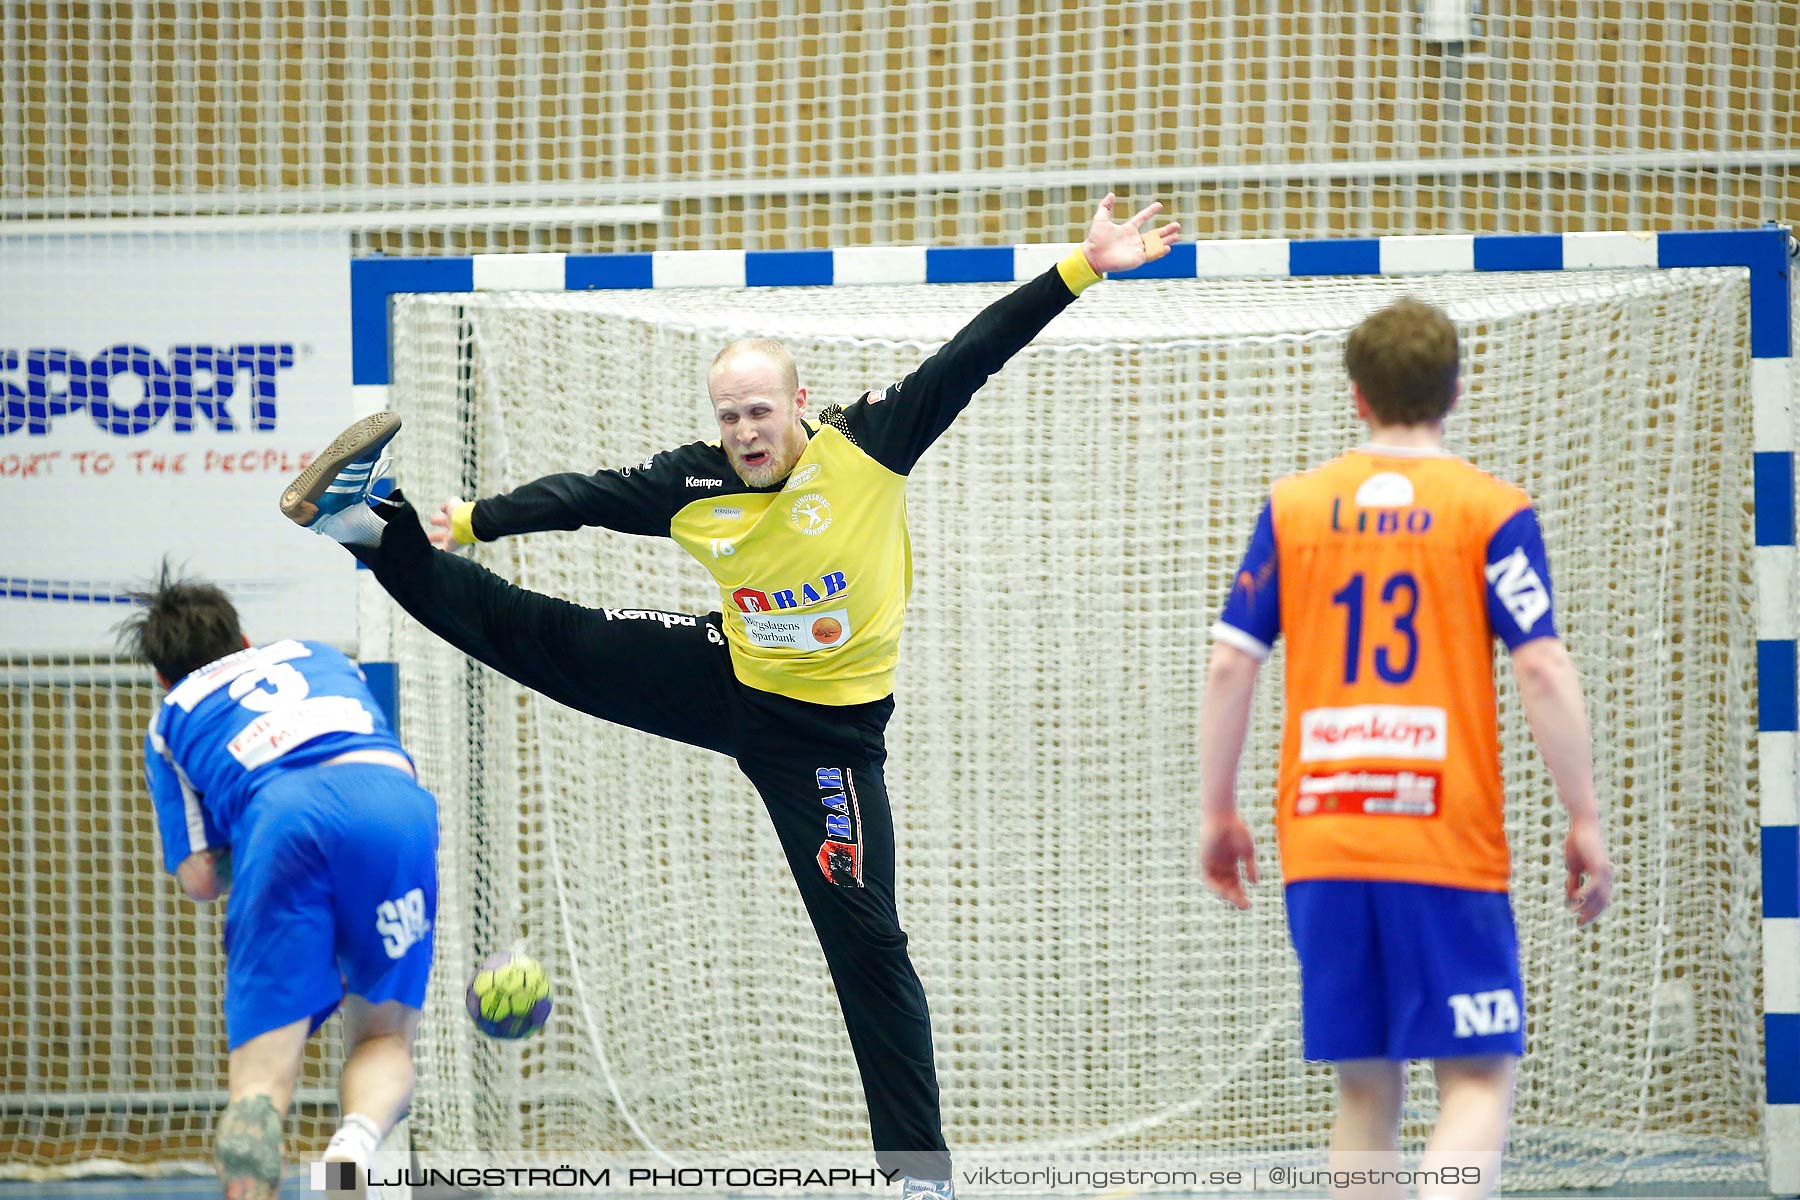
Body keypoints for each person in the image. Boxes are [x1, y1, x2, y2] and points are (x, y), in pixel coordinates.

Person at [279, 195, 1179, 1193]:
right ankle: (373, 524)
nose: (746, 429)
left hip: (827, 747)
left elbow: (975, 352)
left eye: (761, 409)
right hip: (724, 676)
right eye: (729, 414)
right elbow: (586, 498)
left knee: (868, 943)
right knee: (539, 639)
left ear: (801, 405)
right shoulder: (696, 483)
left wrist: (1084, 268)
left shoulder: (868, 447)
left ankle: (918, 1174)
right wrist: (482, 519)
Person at [1196, 298, 1614, 1200]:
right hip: (1442, 841)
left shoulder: (1294, 508)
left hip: (1325, 839)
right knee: (1475, 1076)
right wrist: (1584, 816)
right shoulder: (1491, 510)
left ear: (1356, 399)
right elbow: (1541, 664)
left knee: (1365, 1084)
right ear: (1455, 391)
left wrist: (1216, 810)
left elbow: (1232, 665)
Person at [119, 565, 437, 1200]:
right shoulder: (319, 656)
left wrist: (254, 847)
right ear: (244, 640)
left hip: (280, 823)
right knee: (382, 1034)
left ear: (160, 678)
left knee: (259, 1091)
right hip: (395, 806)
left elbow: (202, 878)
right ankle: (348, 1157)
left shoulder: (170, 718)